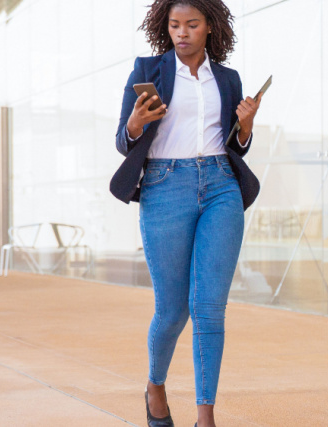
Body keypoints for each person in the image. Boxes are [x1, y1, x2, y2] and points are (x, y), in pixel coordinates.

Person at [114, 1, 261, 426]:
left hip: (220, 186)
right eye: (175, 25)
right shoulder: (147, 70)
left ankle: (205, 416)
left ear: (209, 28)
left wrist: (247, 126)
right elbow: (124, 141)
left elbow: (234, 143)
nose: (182, 32)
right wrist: (136, 125)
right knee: (173, 310)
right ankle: (155, 384)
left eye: (192, 24)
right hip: (165, 187)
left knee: (209, 307)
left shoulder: (227, 78)